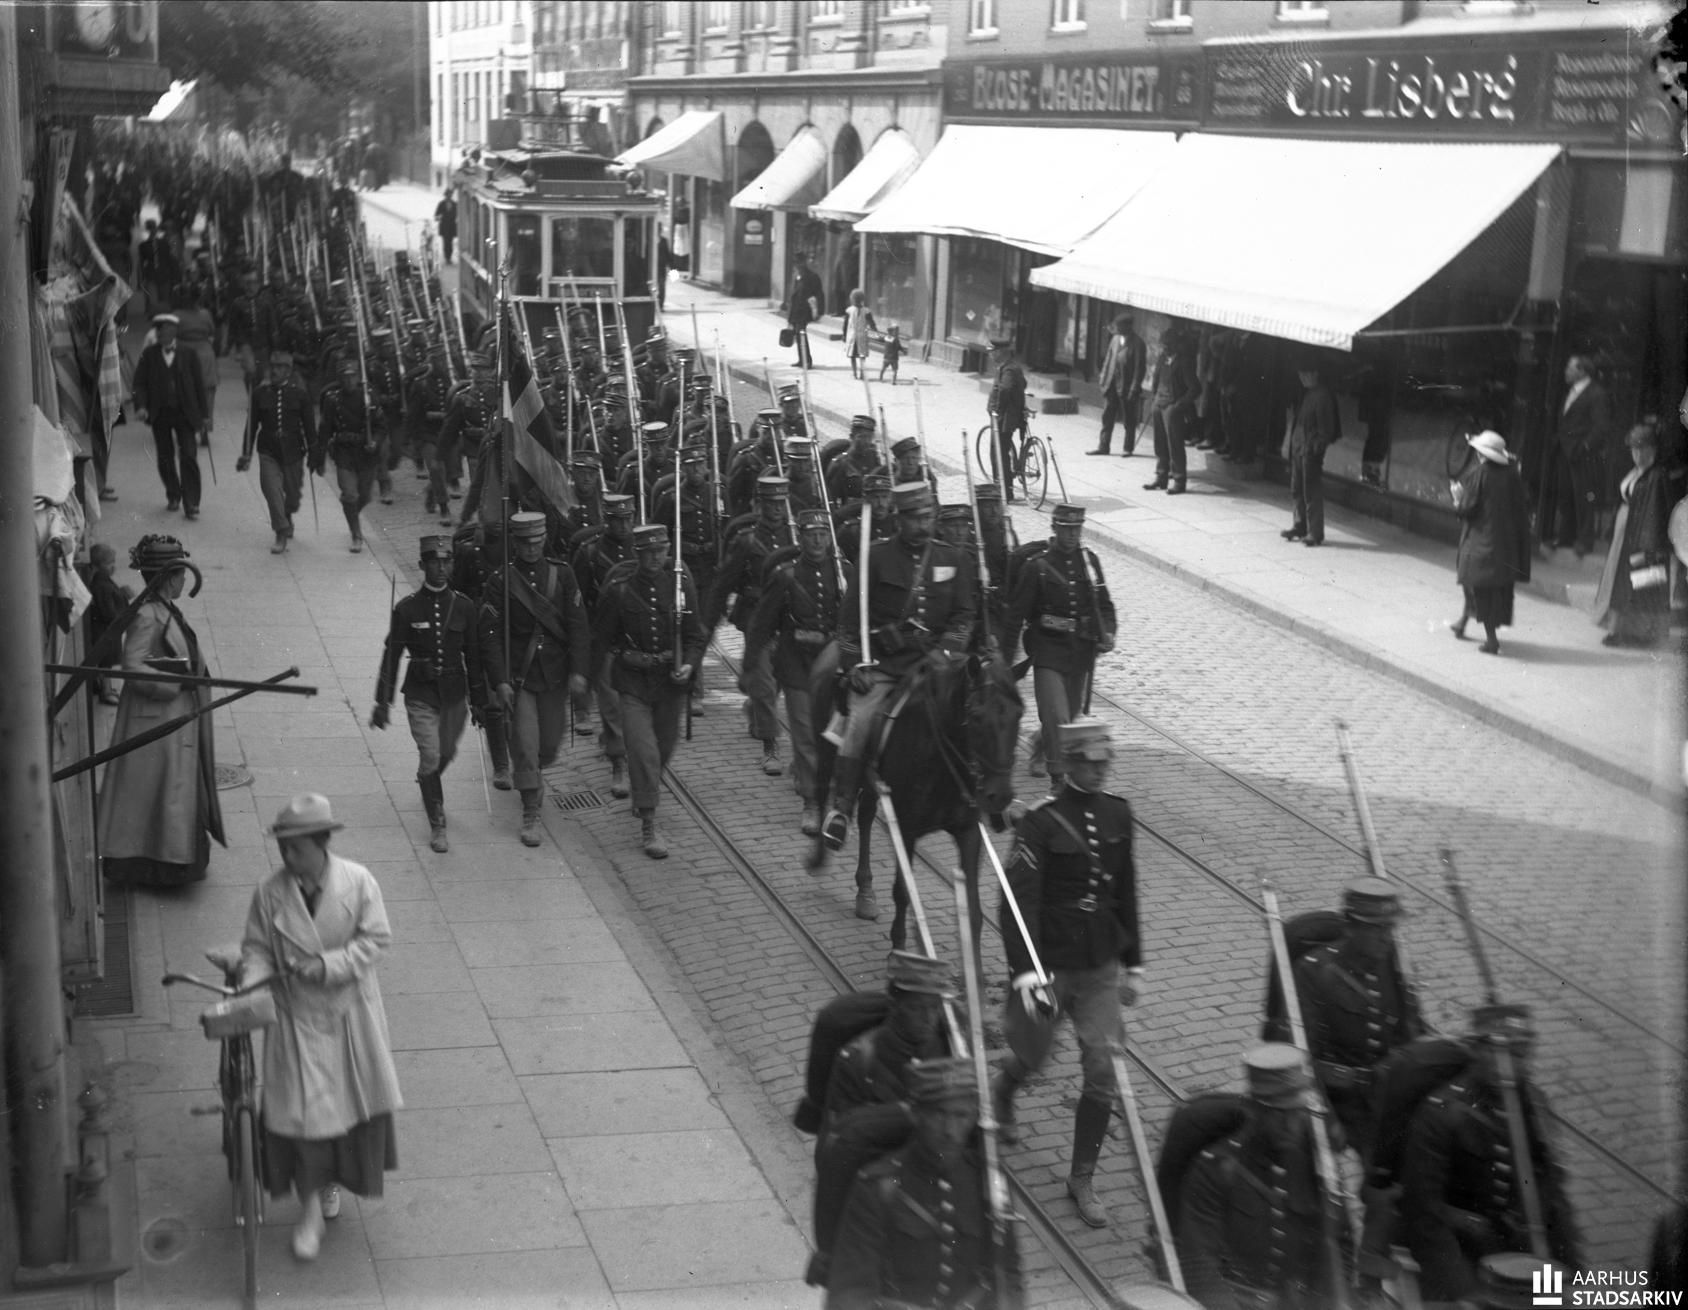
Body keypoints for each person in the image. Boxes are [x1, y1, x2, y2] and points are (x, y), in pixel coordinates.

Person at [240, 793, 403, 1262]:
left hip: (348, 1013)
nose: (287, 857)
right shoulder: (269, 892)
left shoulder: (359, 882)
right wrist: (251, 983)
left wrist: (329, 965)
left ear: (321, 843)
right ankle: (309, 1211)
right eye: (283, 848)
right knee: (302, 1118)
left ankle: (332, 1183)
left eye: (296, 848)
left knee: (348, 1112)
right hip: (295, 1017)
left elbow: (377, 939)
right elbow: (256, 949)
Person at [992, 716, 1141, 1229]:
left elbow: (1126, 891)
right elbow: (1017, 905)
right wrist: (1026, 975)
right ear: (1071, 763)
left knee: (1102, 1067)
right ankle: (1003, 1091)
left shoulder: (1119, 813)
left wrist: (1134, 964)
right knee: (1032, 1053)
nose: (1100, 771)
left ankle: (1082, 1176)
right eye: (1090, 763)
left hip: (1099, 965)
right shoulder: (1040, 823)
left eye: (1105, 763)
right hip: (1050, 964)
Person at [822, 482, 977, 851]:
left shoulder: (953, 558)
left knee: (980, 711)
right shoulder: (875, 557)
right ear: (899, 519)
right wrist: (855, 665)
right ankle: (842, 807)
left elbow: (964, 617)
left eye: (927, 517)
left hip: (935, 667)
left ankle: (982, 791)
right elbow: (848, 622)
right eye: (915, 519)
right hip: (886, 667)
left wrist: (944, 654)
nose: (922, 525)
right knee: (860, 720)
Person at [1398, 1005, 1581, 1303]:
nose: (1505, 1064)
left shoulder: (1534, 1104)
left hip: (1520, 1245)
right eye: (1495, 1052)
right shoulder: (1441, 1114)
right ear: (1475, 1050)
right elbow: (1424, 1213)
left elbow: (1551, 1192)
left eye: (1517, 1054)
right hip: (1463, 1247)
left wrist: (1570, 1274)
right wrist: (1463, 1293)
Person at [826, 1056, 1022, 1310]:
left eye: (961, 1115)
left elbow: (1008, 1274)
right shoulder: (878, 1187)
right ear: (917, 1114)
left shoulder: (987, 1182)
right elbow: (849, 1294)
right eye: (939, 1115)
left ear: (974, 1116)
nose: (950, 1130)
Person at [806, 950, 953, 1286]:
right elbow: (838, 1151)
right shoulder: (858, 1060)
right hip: (872, 1197)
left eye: (934, 1008)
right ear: (895, 1005)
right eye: (918, 1008)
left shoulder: (948, 1047)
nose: (928, 1018)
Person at [1174, 1044, 1348, 1309]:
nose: (1293, 1125)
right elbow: (1199, 1265)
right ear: (1256, 1111)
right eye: (1281, 1114)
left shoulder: (1319, 1166)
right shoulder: (1215, 1170)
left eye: (1299, 1113)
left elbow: (1341, 1243)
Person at [96, 535, 226, 886]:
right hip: (156, 720)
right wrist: (176, 683)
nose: (184, 580)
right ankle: (158, 867)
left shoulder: (163, 608)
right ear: (169, 577)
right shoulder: (147, 615)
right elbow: (132, 666)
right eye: (181, 574)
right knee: (160, 793)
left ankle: (172, 861)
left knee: (170, 792)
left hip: (170, 717)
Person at [594, 523, 708, 859]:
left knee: (663, 750)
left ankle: (645, 790)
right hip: (632, 683)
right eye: (649, 552)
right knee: (643, 752)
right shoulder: (619, 590)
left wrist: (689, 665)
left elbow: (695, 636)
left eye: (661, 550)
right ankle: (649, 823)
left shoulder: (680, 586)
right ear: (637, 554)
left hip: (670, 685)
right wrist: (585, 677)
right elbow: (602, 639)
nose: (656, 557)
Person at [480, 511, 592, 847]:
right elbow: (490, 634)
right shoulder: (501, 581)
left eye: (537, 542)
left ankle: (533, 773)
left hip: (555, 673)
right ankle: (531, 809)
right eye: (525, 543)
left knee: (549, 746)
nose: (531, 548)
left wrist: (578, 671)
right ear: (515, 543)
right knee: (526, 743)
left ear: (544, 540)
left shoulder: (563, 574)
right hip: (520, 676)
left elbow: (578, 625)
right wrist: (500, 680)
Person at [373, 536, 485, 853]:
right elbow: (392, 655)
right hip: (421, 694)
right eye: (435, 562)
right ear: (422, 565)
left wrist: (479, 701)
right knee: (432, 755)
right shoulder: (407, 609)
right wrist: (382, 701)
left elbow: (474, 656)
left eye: (447, 562)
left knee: (444, 753)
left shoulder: (464, 607)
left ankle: (427, 779)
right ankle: (438, 823)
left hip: (454, 695)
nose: (441, 568)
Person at [1003, 505, 1115, 795]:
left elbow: (1104, 604)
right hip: (1048, 649)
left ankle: (1040, 743)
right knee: (1057, 716)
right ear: (1054, 528)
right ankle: (1058, 780)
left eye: (1076, 529)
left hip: (1081, 652)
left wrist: (1109, 631)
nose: (1071, 535)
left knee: (1070, 717)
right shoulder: (1037, 566)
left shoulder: (1089, 562)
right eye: (1066, 529)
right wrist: (1004, 663)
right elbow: (1016, 616)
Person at [748, 508, 844, 838]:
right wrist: (750, 665)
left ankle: (833, 793)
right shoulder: (785, 576)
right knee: (805, 736)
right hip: (797, 665)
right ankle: (812, 802)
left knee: (834, 734)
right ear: (800, 538)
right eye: (810, 535)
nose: (817, 541)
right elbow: (763, 622)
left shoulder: (843, 572)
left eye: (822, 534)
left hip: (835, 665)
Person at [709, 476, 794, 778]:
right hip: (756, 616)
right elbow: (726, 581)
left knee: (780, 678)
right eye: (770, 504)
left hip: (788, 617)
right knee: (765, 683)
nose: (776, 509)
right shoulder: (746, 539)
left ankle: (754, 709)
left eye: (780, 503)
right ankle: (770, 747)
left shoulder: (795, 534)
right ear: (759, 504)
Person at [1449, 430, 1531, 656]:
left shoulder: (1480, 474)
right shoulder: (1511, 474)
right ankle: (1463, 622)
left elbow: (1468, 508)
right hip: (1505, 543)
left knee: (1478, 587)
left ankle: (1491, 641)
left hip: (1481, 541)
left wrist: (1457, 500)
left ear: (1481, 454)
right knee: (1487, 588)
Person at [1595, 419, 1674, 648]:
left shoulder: (1657, 476)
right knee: (1620, 580)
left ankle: (1637, 633)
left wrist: (1647, 544)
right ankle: (1617, 628)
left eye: (1643, 449)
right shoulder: (1635, 473)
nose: (1637, 455)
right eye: (1634, 449)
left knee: (1641, 582)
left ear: (1653, 451)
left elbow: (1656, 511)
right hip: (1625, 532)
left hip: (1642, 536)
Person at [238, 351, 320, 554]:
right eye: (273, 367)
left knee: (292, 497)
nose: (274, 371)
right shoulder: (260, 394)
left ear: (288, 371)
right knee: (271, 491)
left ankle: (287, 516)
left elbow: (310, 428)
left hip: (293, 452)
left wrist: (314, 454)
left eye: (280, 367)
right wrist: (246, 453)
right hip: (268, 450)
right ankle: (281, 533)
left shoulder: (300, 395)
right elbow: (251, 426)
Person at [132, 312, 210, 518]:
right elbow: (139, 383)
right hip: (160, 413)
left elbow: (199, 385)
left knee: (189, 455)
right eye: (158, 330)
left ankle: (191, 503)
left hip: (185, 413)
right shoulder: (149, 355)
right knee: (165, 457)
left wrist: (204, 415)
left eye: (165, 330)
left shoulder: (188, 353)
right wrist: (141, 406)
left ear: (174, 331)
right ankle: (173, 495)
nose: (160, 334)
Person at [1537, 353, 1614, 558]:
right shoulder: (1570, 392)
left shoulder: (1596, 394)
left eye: (1570, 368)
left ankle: (1585, 540)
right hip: (1565, 451)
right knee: (1566, 495)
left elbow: (1601, 427)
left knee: (1584, 496)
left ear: (1582, 371)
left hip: (1582, 454)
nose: (1566, 372)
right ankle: (1566, 537)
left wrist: (1585, 447)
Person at [319, 355, 386, 553]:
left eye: (352, 376)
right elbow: (324, 430)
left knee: (364, 496)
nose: (349, 380)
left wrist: (375, 441)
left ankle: (352, 515)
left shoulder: (369, 397)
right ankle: (356, 534)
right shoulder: (332, 400)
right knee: (349, 495)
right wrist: (318, 458)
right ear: (340, 378)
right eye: (345, 376)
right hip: (344, 453)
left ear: (358, 377)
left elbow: (381, 426)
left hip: (366, 454)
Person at [1282, 364, 1340, 547]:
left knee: (1311, 491)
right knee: (1297, 489)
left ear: (1315, 374)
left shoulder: (1322, 396)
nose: (1302, 378)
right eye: (1300, 374)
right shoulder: (1308, 393)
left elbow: (1326, 430)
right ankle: (1300, 525)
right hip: (1300, 448)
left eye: (1305, 374)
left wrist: (1314, 448)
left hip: (1309, 451)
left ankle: (1315, 532)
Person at [1144, 324, 1198, 496]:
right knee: (1159, 444)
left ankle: (1179, 481)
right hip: (1159, 405)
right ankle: (1161, 478)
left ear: (1176, 345)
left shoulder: (1184, 362)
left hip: (1172, 408)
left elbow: (1196, 388)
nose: (1165, 348)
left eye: (1168, 345)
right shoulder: (1162, 358)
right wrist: (1154, 399)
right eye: (1163, 345)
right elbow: (1156, 379)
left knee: (1175, 445)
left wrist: (1179, 405)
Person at [1089, 313, 1147, 457]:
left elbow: (1139, 369)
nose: (1117, 328)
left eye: (1120, 326)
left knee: (1129, 418)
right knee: (1107, 416)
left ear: (1128, 326)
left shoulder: (1138, 343)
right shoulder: (1115, 339)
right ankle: (1103, 446)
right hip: (1111, 385)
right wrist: (1103, 379)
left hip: (1127, 387)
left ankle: (1128, 448)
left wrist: (1134, 388)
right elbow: (1108, 359)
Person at [173, 284, 220, 447]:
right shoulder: (205, 314)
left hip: (184, 354)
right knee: (207, 392)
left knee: (187, 392)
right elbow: (212, 331)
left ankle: (190, 427)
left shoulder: (176, 315)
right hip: (205, 354)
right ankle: (205, 428)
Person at [987, 338, 1027, 500]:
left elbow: (1005, 389)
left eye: (992, 352)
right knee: (1001, 450)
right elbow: (1023, 384)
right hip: (1009, 416)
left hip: (1004, 418)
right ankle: (1003, 488)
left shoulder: (1008, 369)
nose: (990, 355)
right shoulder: (1011, 367)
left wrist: (998, 409)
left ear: (1000, 352)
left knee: (998, 453)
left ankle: (1004, 492)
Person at [787, 251, 825, 370]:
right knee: (798, 335)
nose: (798, 266)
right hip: (796, 311)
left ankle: (807, 361)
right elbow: (794, 295)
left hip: (805, 311)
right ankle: (802, 359)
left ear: (804, 262)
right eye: (796, 263)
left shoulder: (812, 277)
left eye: (799, 263)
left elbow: (819, 294)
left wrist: (819, 311)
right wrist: (790, 315)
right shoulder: (797, 277)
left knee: (801, 334)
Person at [842, 288, 875, 380]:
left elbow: (845, 324)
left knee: (852, 356)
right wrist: (875, 331)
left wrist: (844, 335)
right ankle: (862, 373)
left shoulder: (849, 310)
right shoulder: (866, 311)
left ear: (852, 299)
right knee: (862, 356)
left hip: (852, 336)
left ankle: (854, 373)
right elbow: (872, 323)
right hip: (862, 336)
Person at [434, 190, 458, 265]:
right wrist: (439, 217)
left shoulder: (455, 204)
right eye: (448, 195)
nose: (449, 196)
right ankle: (447, 258)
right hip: (444, 227)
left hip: (452, 226)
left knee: (450, 242)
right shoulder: (441, 204)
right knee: (446, 242)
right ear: (445, 195)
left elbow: (458, 214)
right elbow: (436, 215)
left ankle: (449, 257)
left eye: (450, 194)